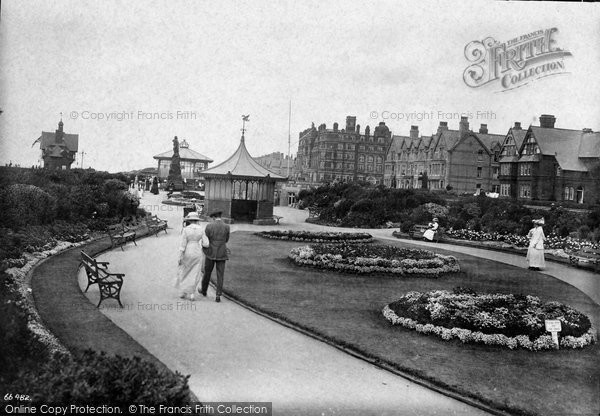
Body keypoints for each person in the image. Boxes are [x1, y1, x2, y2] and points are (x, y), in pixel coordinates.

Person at [200, 211, 230, 303]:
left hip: (211, 252)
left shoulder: (209, 226)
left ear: (213, 217)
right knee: (220, 275)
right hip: (222, 252)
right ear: (220, 216)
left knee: (207, 272)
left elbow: (206, 240)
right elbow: (226, 240)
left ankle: (204, 290)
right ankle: (218, 295)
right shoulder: (226, 226)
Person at [175, 212, 206, 301]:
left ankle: (183, 291)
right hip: (197, 251)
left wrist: (180, 256)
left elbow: (182, 244)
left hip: (188, 251)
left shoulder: (186, 229)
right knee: (195, 273)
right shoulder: (201, 229)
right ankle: (192, 293)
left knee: (185, 271)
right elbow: (206, 243)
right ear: (197, 220)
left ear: (189, 220)